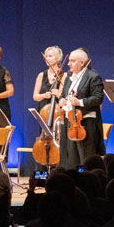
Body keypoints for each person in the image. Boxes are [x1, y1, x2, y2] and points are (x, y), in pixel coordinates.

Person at [58, 48, 105, 170]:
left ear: (82, 63)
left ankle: (88, 179)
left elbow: (98, 98)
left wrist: (79, 102)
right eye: (69, 61)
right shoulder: (69, 77)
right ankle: (75, 179)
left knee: (86, 158)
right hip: (71, 123)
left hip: (86, 124)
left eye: (72, 61)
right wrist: (61, 101)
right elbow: (63, 95)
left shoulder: (93, 77)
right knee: (72, 159)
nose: (69, 64)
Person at [26, 46, 65, 178]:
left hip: (57, 113)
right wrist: (45, 95)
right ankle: (42, 176)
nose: (47, 58)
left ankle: (57, 175)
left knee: (58, 142)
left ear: (57, 58)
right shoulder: (41, 75)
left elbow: (64, 94)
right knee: (44, 142)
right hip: (43, 112)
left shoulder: (64, 75)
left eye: (50, 56)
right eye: (46, 56)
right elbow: (35, 96)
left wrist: (57, 93)